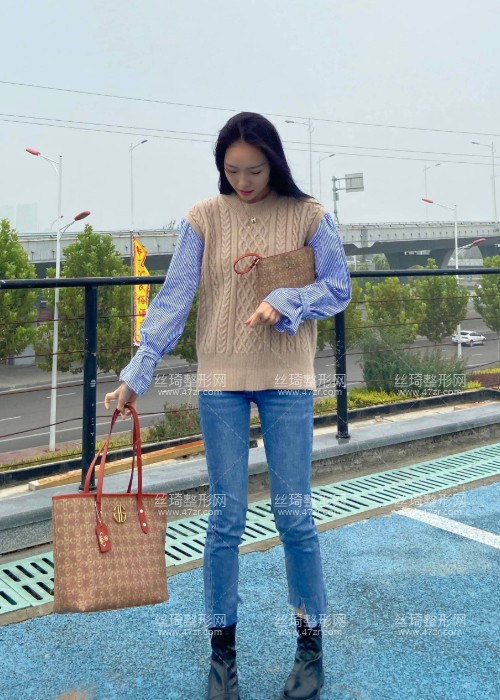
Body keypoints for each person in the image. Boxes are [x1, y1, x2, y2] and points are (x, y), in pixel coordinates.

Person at [105, 112, 351, 700]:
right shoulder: (203, 219)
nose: (243, 181)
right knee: (224, 520)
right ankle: (222, 658)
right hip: (219, 380)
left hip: (287, 378)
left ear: (275, 163)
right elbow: (173, 299)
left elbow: (338, 288)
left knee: (294, 515)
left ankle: (310, 648)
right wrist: (138, 374)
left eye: (255, 170)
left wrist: (286, 298)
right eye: (232, 170)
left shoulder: (311, 216)